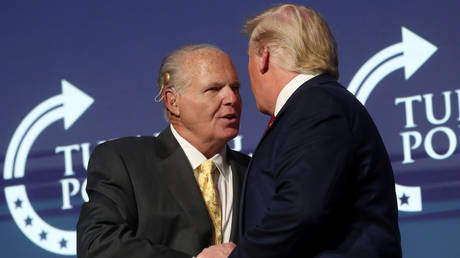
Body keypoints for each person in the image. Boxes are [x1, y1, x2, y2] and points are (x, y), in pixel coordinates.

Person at [202, 4, 402, 258]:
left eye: (249, 58)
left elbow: (300, 210)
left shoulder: (318, 106)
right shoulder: (315, 106)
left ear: (264, 56)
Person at [77, 44, 250, 258]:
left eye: (235, 88)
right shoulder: (125, 162)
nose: (232, 99)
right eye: (213, 89)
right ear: (173, 101)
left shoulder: (256, 172)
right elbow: (98, 244)